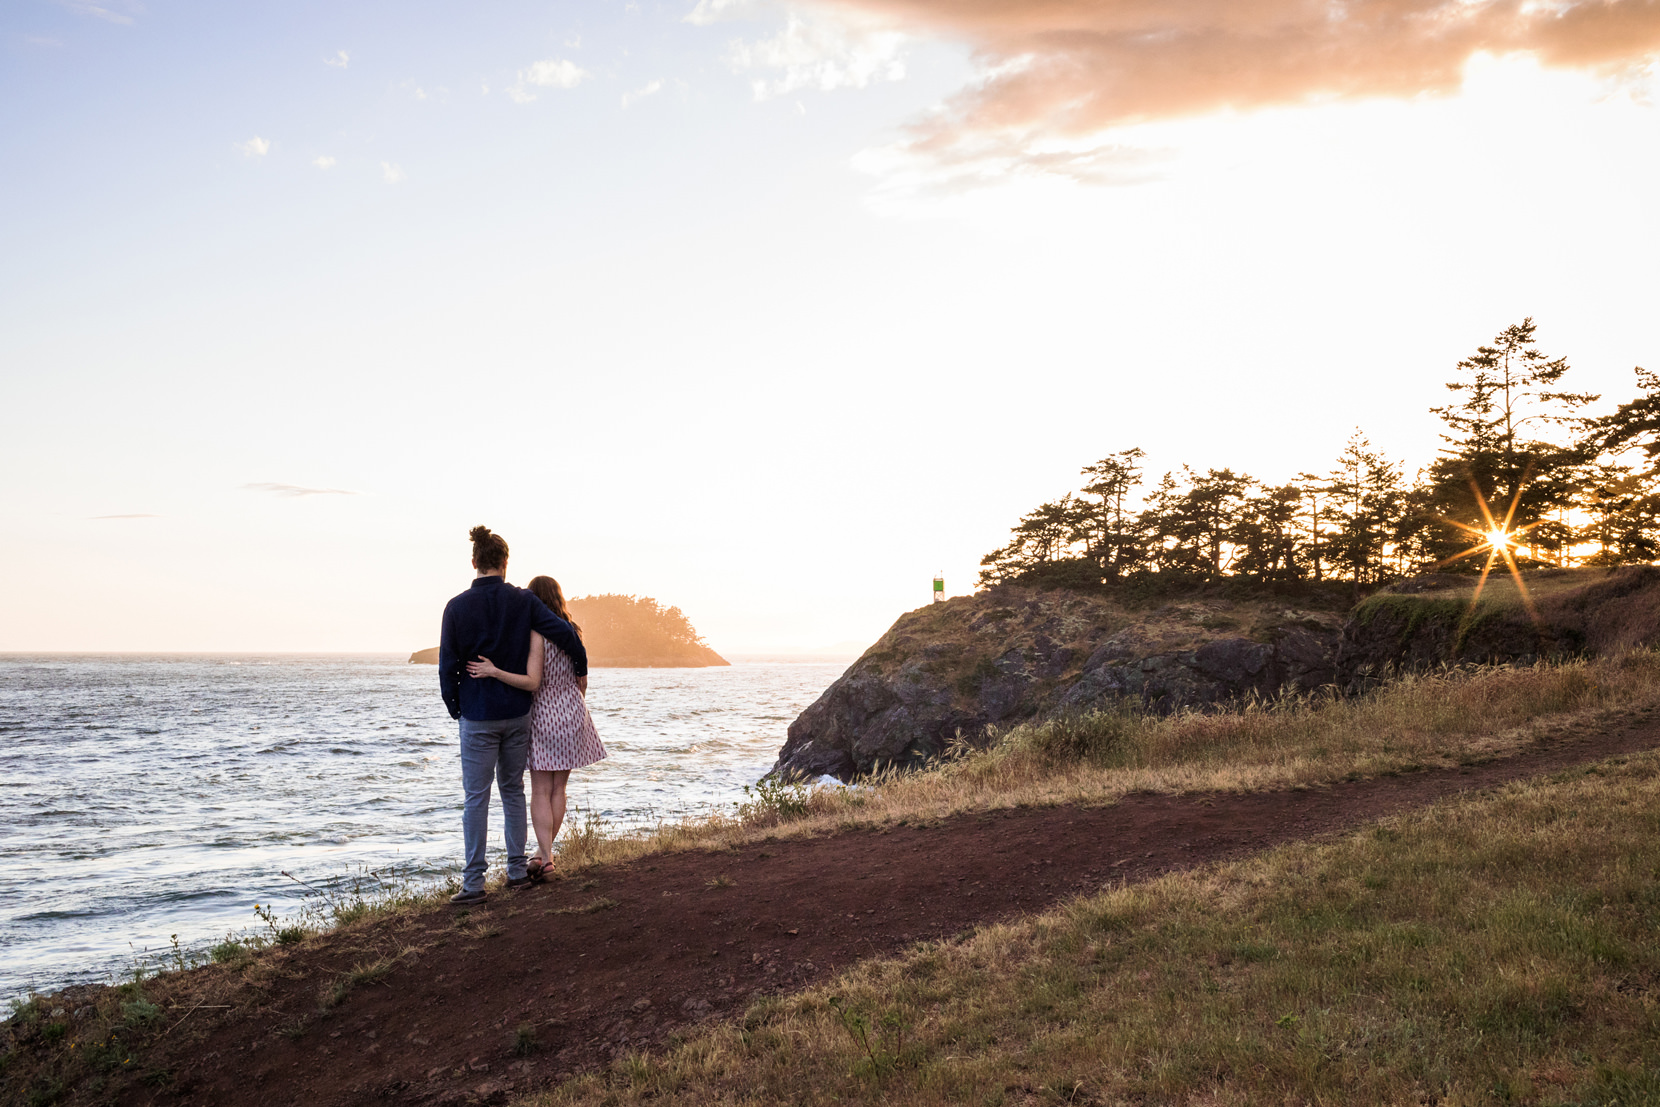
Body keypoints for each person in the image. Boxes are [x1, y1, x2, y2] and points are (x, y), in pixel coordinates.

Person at [438, 526, 587, 905]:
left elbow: (447, 668)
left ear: (474, 562)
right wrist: (581, 667)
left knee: (476, 798)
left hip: (478, 714)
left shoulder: (456, 607)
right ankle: (517, 872)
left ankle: (473, 885)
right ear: (506, 563)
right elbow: (565, 634)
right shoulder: (523, 601)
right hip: (518, 714)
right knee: (513, 792)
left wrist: (458, 708)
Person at [470, 575, 605, 880]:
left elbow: (533, 683)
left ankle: (546, 859)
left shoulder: (536, 635)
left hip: (544, 712)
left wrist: (493, 671)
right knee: (559, 789)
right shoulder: (573, 633)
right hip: (573, 711)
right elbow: (581, 682)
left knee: (540, 790)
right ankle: (544, 855)